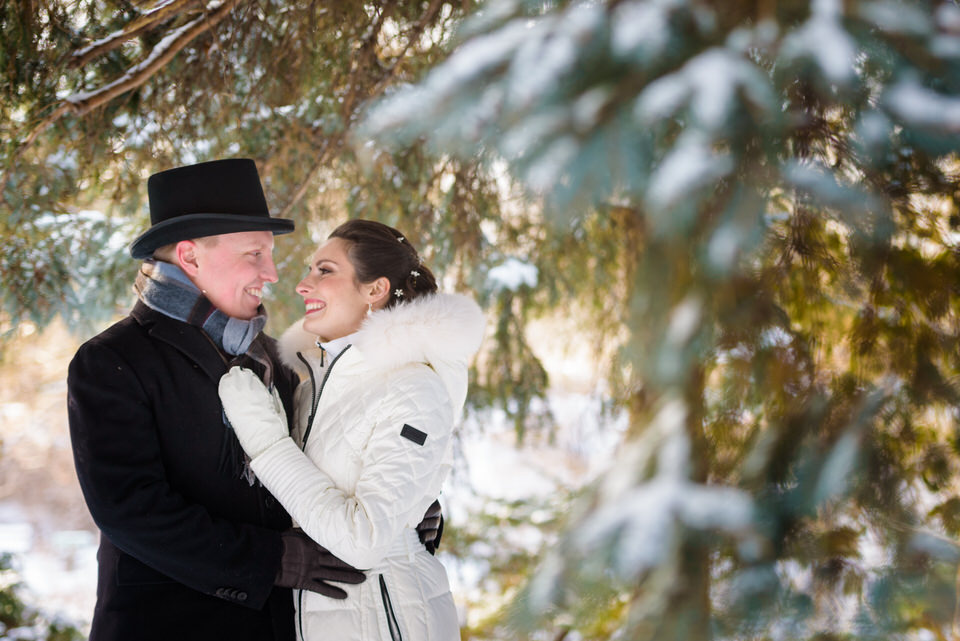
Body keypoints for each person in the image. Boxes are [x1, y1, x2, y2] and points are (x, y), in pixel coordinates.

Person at [66, 159, 372, 641]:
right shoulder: (111, 360)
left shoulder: (280, 359)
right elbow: (132, 508)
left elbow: (327, 457)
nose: (272, 274)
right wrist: (272, 559)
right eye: (255, 254)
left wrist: (399, 501)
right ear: (189, 257)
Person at [218, 219, 485, 640]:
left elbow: (365, 540)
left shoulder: (412, 386)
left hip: (387, 619)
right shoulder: (313, 386)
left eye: (324, 271)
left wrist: (266, 442)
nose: (303, 285)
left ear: (375, 290)